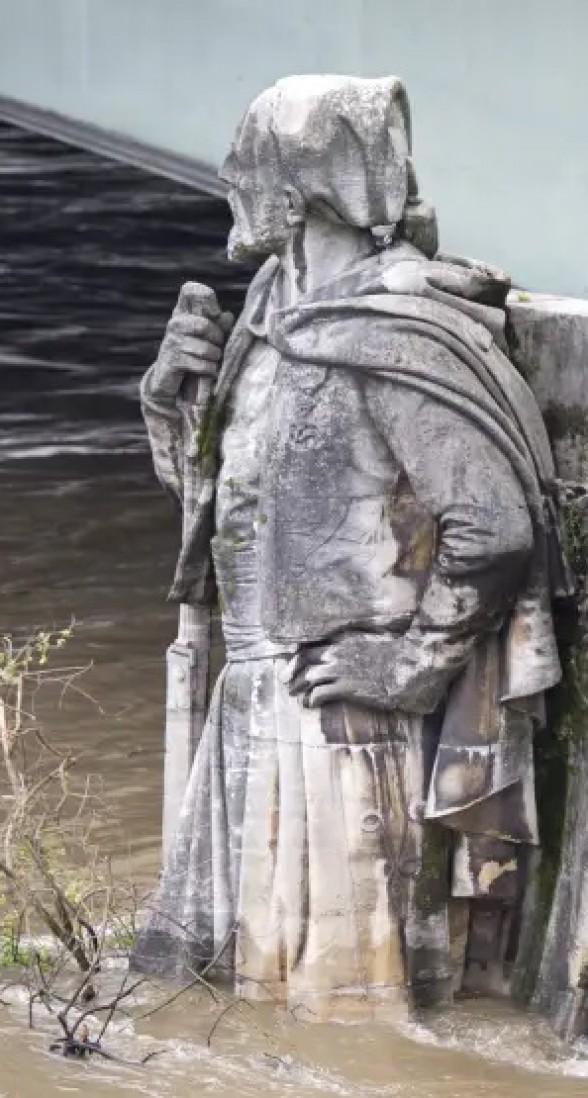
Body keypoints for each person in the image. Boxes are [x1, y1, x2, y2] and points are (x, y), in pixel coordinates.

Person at [131, 75, 564, 1018]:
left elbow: (494, 529)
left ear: (304, 183)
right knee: (226, 1002)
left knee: (340, 1012)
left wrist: (408, 665)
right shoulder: (270, 311)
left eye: (251, 160)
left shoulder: (398, 330)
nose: (233, 180)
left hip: (339, 729)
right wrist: (175, 401)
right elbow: (233, 510)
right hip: (253, 699)